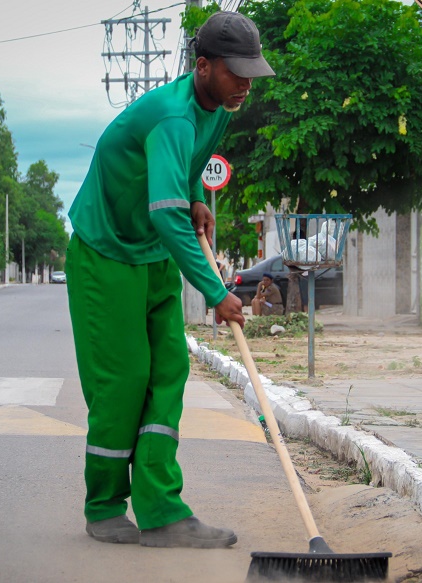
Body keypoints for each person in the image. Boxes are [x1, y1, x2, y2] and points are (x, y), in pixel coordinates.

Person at [65, 11, 274, 549]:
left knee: (169, 371)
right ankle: (105, 505)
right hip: (106, 254)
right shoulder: (173, 116)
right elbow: (162, 210)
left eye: (253, 72)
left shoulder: (219, 108)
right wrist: (216, 291)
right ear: (203, 66)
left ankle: (161, 511)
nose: (246, 84)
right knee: (125, 379)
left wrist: (198, 199)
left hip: (153, 253)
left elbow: (182, 174)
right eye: (237, 72)